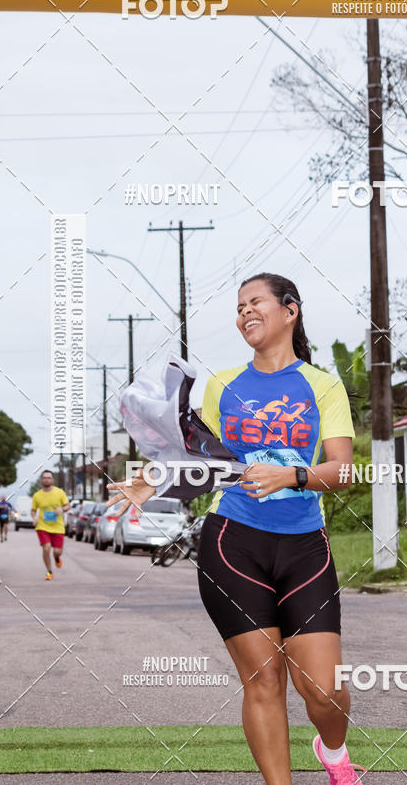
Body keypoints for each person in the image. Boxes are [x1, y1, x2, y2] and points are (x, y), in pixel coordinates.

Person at [108, 273, 365, 784]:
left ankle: (333, 752)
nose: (245, 312)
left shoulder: (323, 385)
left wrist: (292, 474)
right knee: (264, 679)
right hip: (233, 542)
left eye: (256, 303)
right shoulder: (223, 385)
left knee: (323, 689)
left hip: (305, 547)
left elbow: (343, 471)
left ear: (290, 311)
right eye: (239, 306)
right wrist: (150, 481)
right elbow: (189, 455)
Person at [31, 470, 70, 580]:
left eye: (49, 477)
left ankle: (57, 557)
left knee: (57, 551)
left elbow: (68, 506)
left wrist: (62, 509)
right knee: (46, 548)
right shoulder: (37, 495)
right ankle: (49, 571)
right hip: (42, 526)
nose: (46, 479)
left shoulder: (59, 492)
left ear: (52, 480)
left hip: (58, 526)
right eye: (44, 477)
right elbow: (33, 510)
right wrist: (34, 517)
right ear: (41, 480)